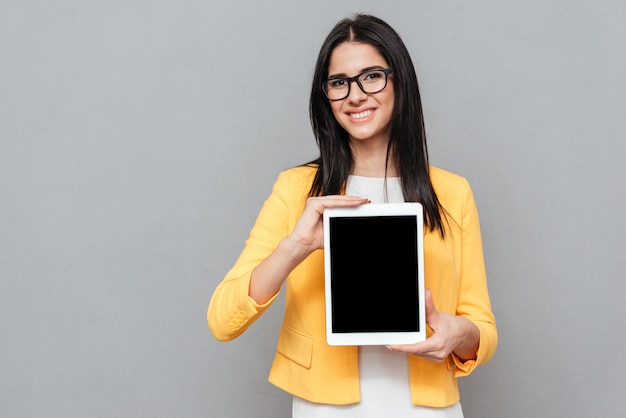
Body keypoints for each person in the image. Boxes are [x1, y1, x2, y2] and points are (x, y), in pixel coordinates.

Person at [208, 13, 497, 417]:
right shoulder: (297, 189)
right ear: (325, 95)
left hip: (427, 407)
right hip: (325, 407)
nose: (355, 95)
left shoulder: (451, 192)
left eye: (372, 76)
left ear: (400, 81)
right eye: (338, 82)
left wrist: (458, 334)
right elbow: (223, 320)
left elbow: (481, 328)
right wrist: (295, 248)